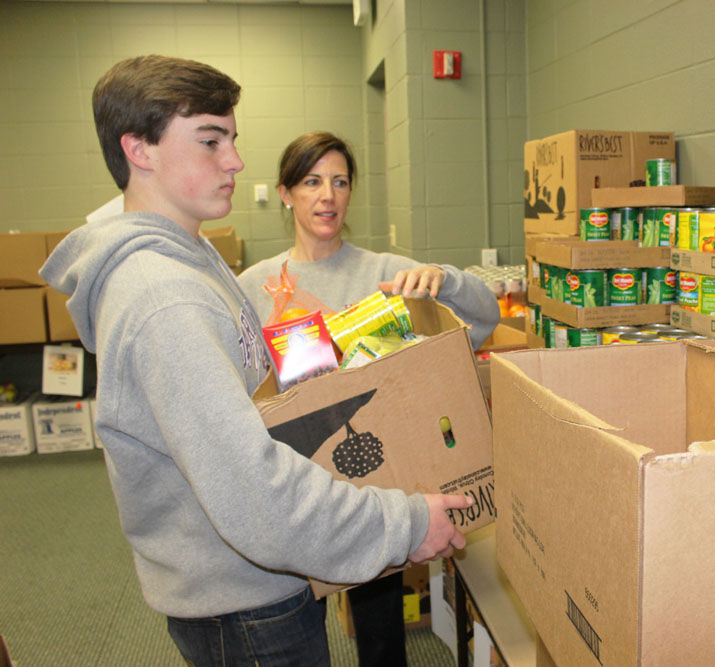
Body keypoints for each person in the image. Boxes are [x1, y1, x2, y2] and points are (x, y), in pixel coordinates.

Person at [40, 55, 474, 667]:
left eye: (233, 140)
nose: (236, 161)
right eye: (210, 140)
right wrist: (401, 523)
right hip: (243, 604)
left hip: (251, 580)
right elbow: (254, 491)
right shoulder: (165, 298)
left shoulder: (190, 259)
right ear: (139, 150)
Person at [238, 131, 500, 665]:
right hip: (296, 473)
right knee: (294, 618)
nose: (326, 196)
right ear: (286, 193)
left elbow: (484, 318)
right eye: (311, 182)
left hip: (377, 474)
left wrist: (445, 280)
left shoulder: (385, 274)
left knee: (381, 630)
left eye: (339, 182)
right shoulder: (256, 286)